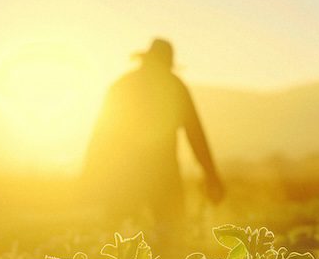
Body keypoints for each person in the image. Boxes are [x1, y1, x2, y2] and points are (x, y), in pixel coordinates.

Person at [83, 39, 224, 239]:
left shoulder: (123, 84)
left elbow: (101, 133)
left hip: (123, 174)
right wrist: (211, 175)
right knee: (171, 235)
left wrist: (91, 172)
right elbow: (196, 134)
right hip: (162, 173)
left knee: (120, 238)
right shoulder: (175, 85)